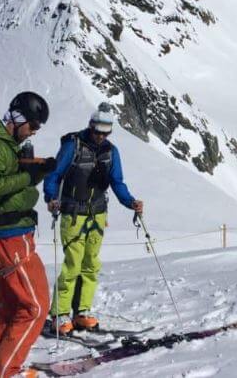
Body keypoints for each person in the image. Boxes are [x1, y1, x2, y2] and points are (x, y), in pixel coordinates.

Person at [44, 102, 143, 335]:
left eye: (105, 132)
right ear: (90, 126)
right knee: (72, 265)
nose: (100, 136)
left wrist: (131, 202)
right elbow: (55, 174)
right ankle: (59, 315)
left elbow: (117, 182)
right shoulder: (73, 145)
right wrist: (51, 197)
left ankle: (82, 312)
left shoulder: (111, 152)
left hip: (97, 215)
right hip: (72, 214)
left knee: (90, 266)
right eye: (97, 131)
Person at [0, 91, 57, 378]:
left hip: (8, 236)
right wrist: (27, 177)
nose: (34, 131)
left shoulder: (5, 145)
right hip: (9, 238)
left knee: (8, 310)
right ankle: (6, 373)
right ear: (19, 118)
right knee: (35, 307)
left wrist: (37, 171)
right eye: (33, 125)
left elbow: (5, 182)